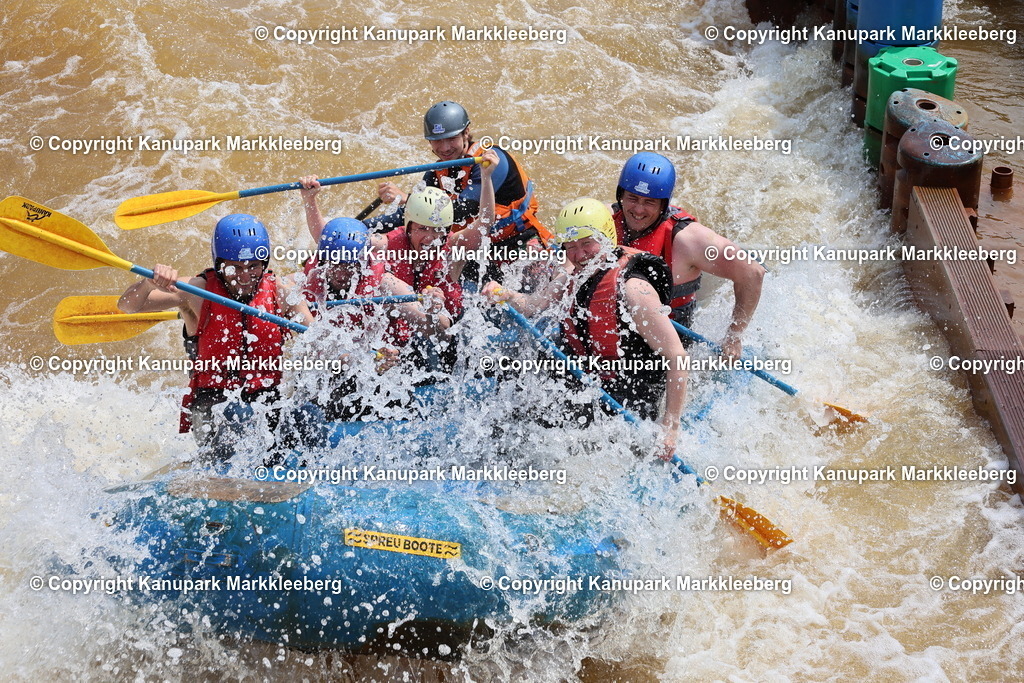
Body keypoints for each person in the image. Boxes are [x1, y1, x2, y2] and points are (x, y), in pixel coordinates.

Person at [483, 198, 688, 461]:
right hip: (589, 376)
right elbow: (534, 305)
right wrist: (504, 293)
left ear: (606, 237)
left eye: (586, 244)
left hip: (628, 392)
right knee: (515, 402)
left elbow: (677, 356)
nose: (579, 255)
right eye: (571, 247)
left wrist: (669, 429)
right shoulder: (573, 271)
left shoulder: (634, 289)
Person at [118, 214, 314, 452]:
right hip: (214, 403)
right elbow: (127, 306)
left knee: (308, 418)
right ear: (219, 264)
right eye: (234, 268)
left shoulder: (282, 291)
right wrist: (149, 283)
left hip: (265, 398)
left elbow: (316, 334)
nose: (244, 277)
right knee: (237, 418)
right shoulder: (195, 290)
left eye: (253, 267)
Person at [298, 147, 502, 374]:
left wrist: (486, 177)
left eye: (437, 231)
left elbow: (484, 223)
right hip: (408, 328)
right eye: (422, 229)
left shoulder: (454, 247)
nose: (429, 238)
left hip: (448, 330)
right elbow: (332, 238)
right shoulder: (386, 243)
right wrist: (310, 199)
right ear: (408, 227)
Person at [368, 100, 554, 283]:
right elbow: (414, 215)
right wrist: (361, 229)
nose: (445, 147)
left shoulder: (492, 160)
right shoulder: (436, 174)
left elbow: (465, 209)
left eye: (451, 138)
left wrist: (405, 198)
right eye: (437, 141)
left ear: (466, 133)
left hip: (520, 244)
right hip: (479, 252)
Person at [612, 152, 765, 359]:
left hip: (668, 336)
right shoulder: (605, 221)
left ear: (663, 205)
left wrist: (734, 336)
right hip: (615, 323)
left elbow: (752, 273)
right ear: (621, 196)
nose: (638, 210)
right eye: (633, 198)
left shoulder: (688, 240)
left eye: (649, 202)